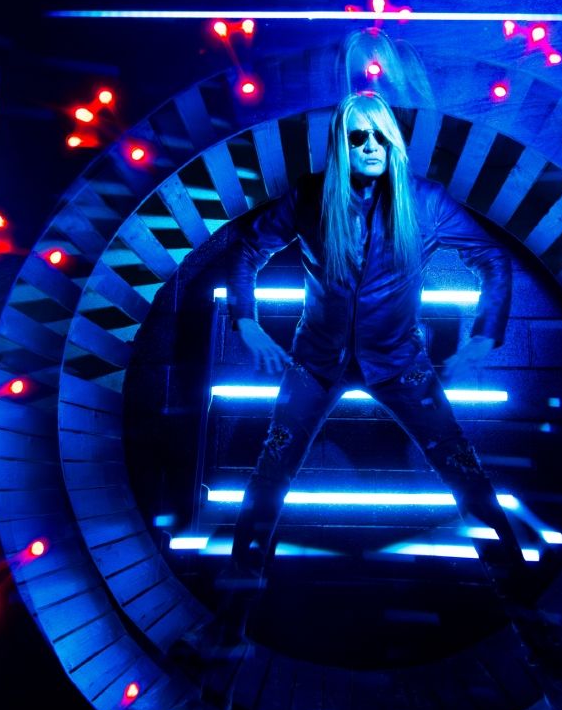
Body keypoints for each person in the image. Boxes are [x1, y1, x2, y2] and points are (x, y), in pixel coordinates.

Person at [224, 89, 529, 595]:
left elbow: (492, 258)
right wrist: (246, 321)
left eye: (381, 136)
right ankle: (237, 594)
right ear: (340, 145)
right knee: (272, 468)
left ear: (394, 144)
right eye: (357, 136)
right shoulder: (309, 196)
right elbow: (247, 250)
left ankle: (518, 590)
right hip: (316, 362)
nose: (370, 146)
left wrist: (483, 336)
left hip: (400, 363)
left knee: (462, 468)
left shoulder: (426, 202)